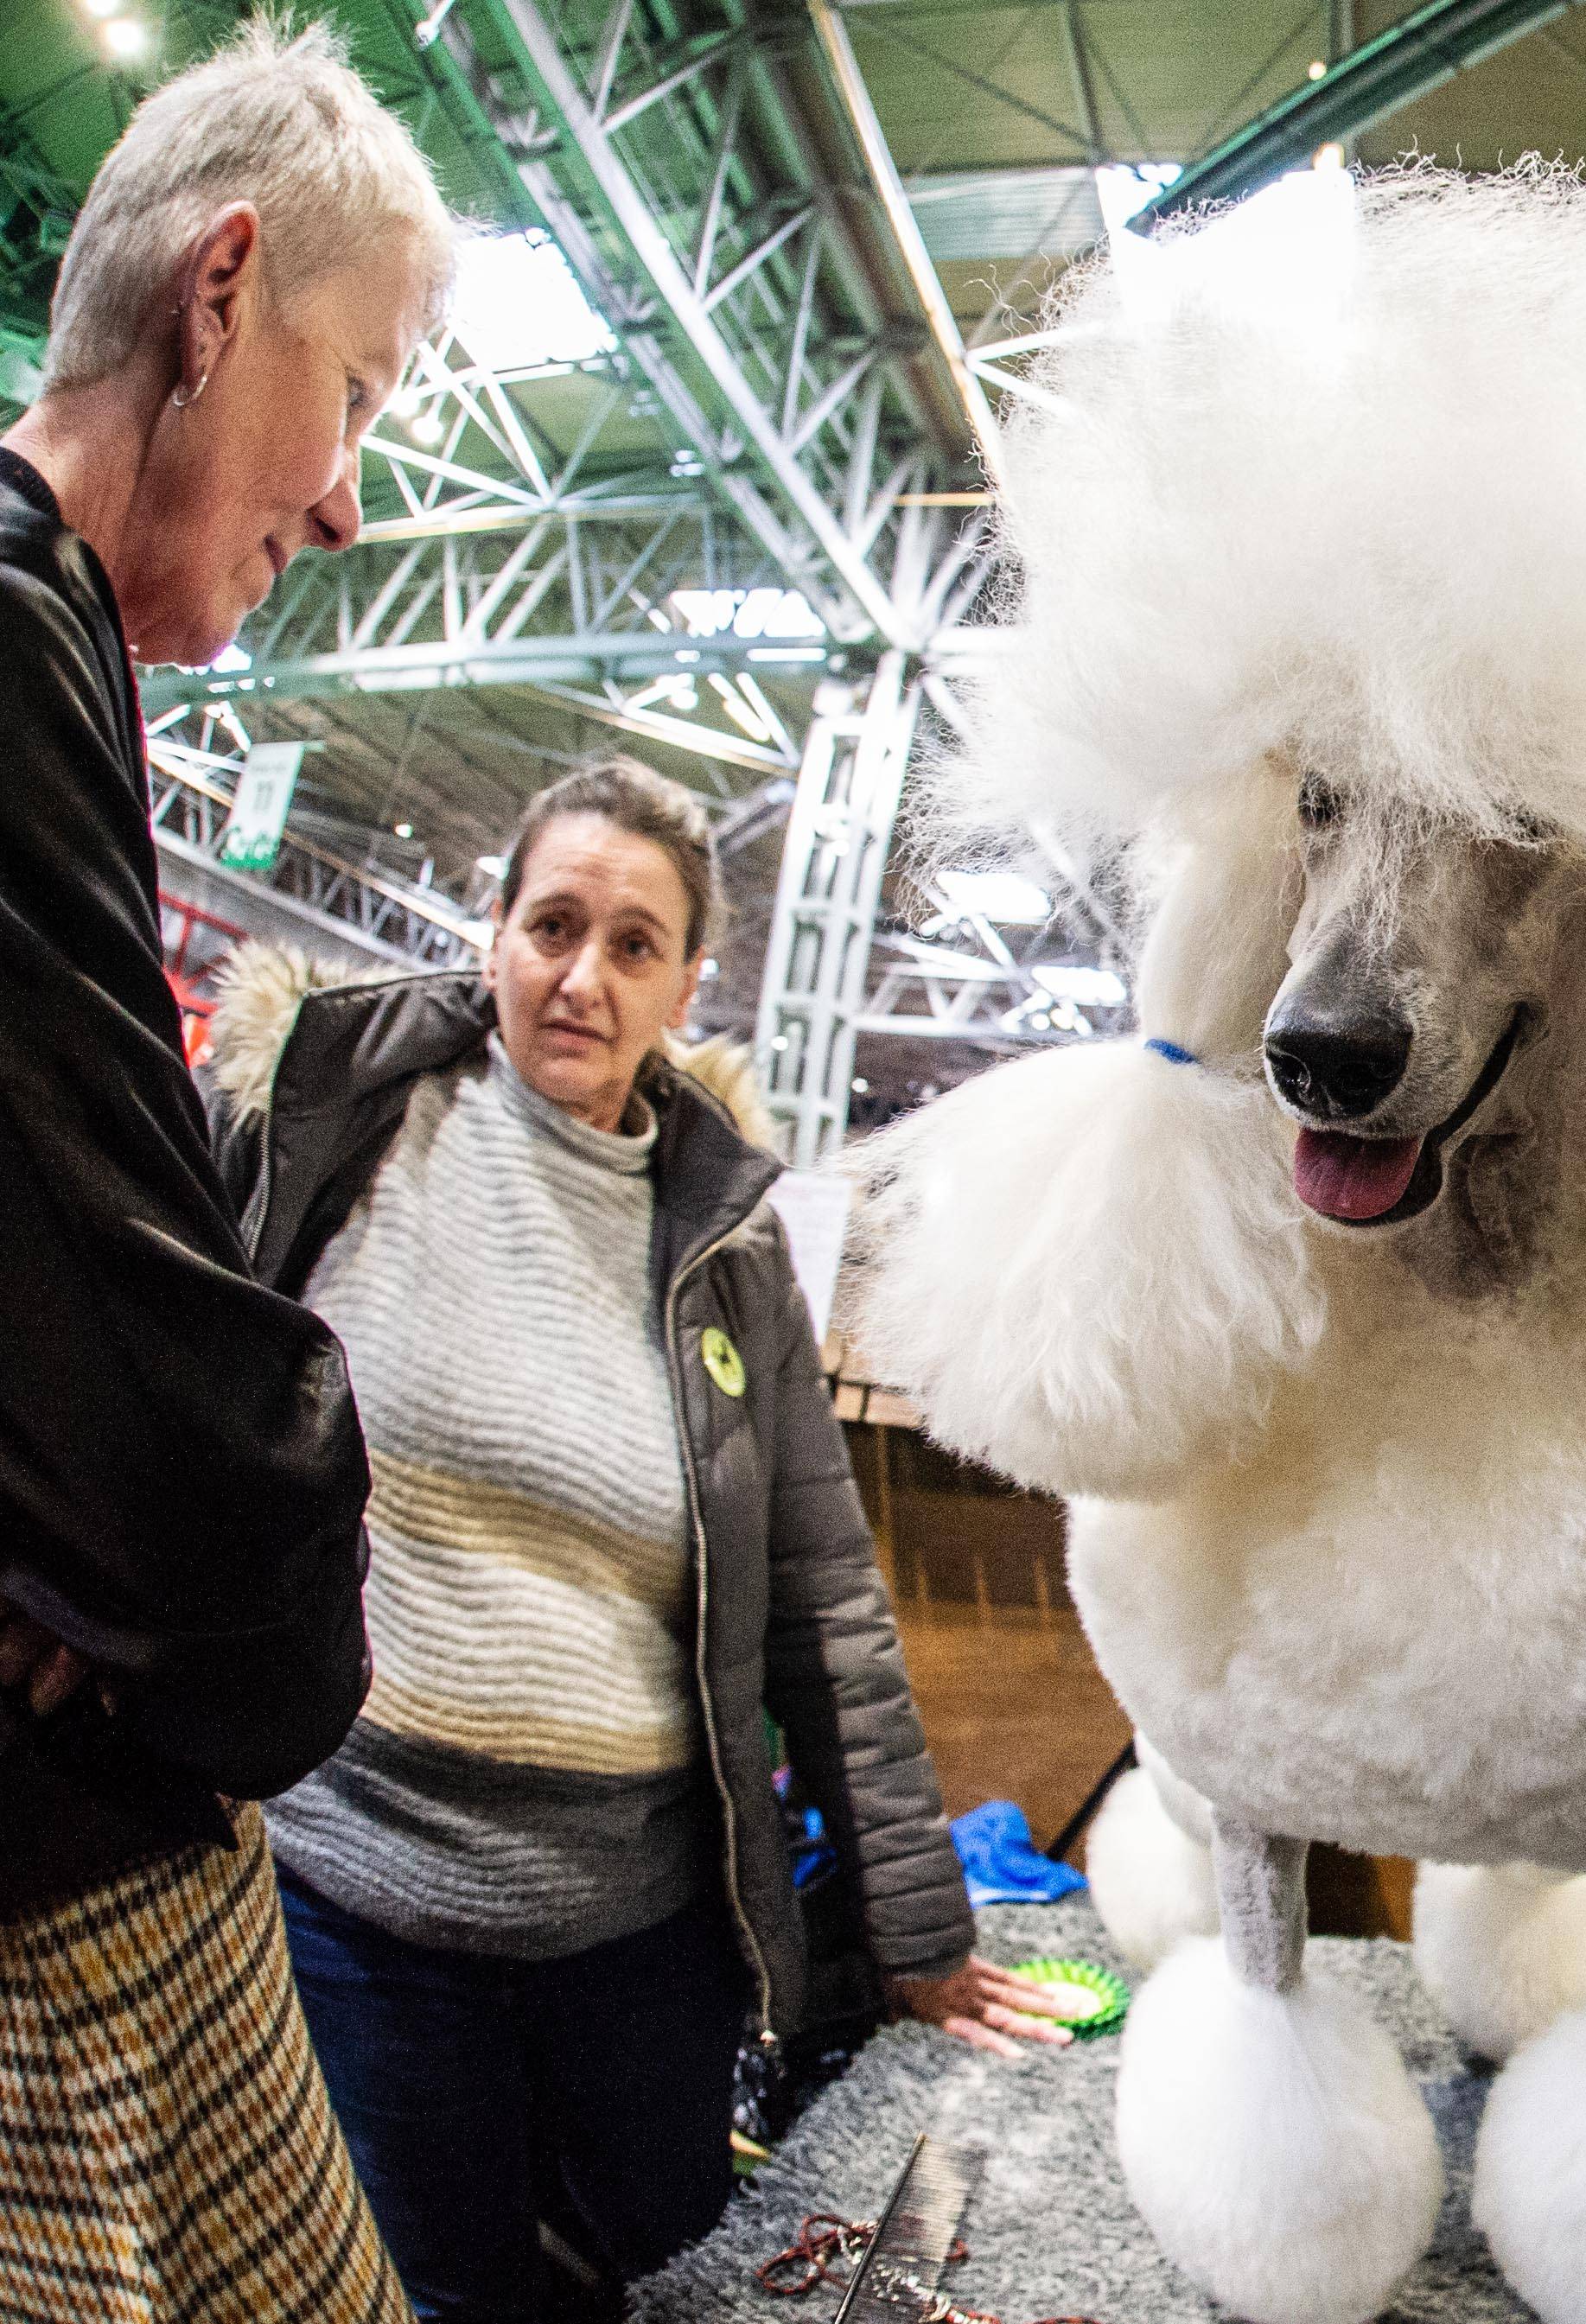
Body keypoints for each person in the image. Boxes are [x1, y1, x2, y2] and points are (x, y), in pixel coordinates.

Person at [203, 757, 1072, 2324]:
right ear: (496, 933)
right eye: (552, 924)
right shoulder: (340, 1125)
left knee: (687, 2278)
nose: (581, 977)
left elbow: (826, 1596)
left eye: (632, 944)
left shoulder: (726, 1241)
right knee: (437, 2295)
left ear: (687, 982)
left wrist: (920, 1935)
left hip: (637, 1933)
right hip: (361, 1906)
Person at [0, 22, 454, 2321]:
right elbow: (165, 1432)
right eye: (358, 395)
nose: (355, 496)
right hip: (58, 1917)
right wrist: (243, 1576)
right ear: (217, 294)